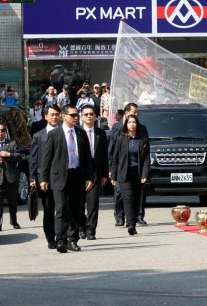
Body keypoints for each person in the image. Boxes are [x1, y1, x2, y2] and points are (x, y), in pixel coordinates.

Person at [39, 105, 95, 253]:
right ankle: (61, 240)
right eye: (73, 115)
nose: (76, 117)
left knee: (75, 210)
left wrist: (89, 176)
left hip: (77, 176)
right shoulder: (55, 134)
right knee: (61, 209)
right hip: (59, 177)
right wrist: (43, 178)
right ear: (64, 116)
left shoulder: (81, 134)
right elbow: (46, 158)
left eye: (77, 115)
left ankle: (72, 239)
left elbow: (88, 158)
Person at [110, 114, 150, 235]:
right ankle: (131, 225)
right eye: (129, 122)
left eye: (134, 122)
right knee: (128, 198)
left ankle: (132, 220)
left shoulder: (142, 139)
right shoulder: (121, 139)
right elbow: (115, 157)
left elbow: (147, 158)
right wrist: (113, 175)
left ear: (137, 124)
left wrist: (144, 174)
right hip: (124, 173)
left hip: (137, 173)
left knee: (137, 199)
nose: (131, 124)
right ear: (125, 124)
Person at [29, 104, 62, 248]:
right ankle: (51, 238)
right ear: (46, 116)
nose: (55, 117)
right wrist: (32, 178)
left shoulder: (66, 133)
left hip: (63, 176)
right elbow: (33, 158)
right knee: (49, 209)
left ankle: (62, 235)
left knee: (62, 208)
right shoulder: (38, 135)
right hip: (45, 178)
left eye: (57, 114)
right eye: (52, 114)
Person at [78, 105, 109, 240]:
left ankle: (91, 230)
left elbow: (104, 155)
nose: (89, 116)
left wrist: (104, 174)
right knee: (78, 204)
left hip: (96, 171)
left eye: (91, 114)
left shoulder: (101, 133)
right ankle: (81, 226)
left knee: (93, 203)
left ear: (95, 116)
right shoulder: (77, 132)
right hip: (79, 172)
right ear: (81, 116)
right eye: (86, 114)